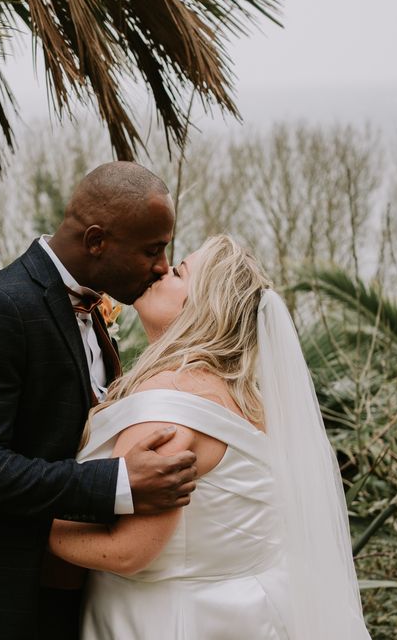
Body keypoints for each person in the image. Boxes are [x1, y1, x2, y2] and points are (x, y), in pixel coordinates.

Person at [0, 162, 200, 640]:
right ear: (96, 241)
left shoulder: (93, 308)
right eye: (152, 250)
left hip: (68, 593)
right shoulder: (2, 307)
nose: (161, 266)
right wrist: (115, 482)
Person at [49, 234, 372, 640]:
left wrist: (26, 524)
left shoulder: (170, 401)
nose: (162, 271)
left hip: (166, 621)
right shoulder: (251, 403)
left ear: (201, 307)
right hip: (249, 615)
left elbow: (127, 551)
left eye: (179, 271)